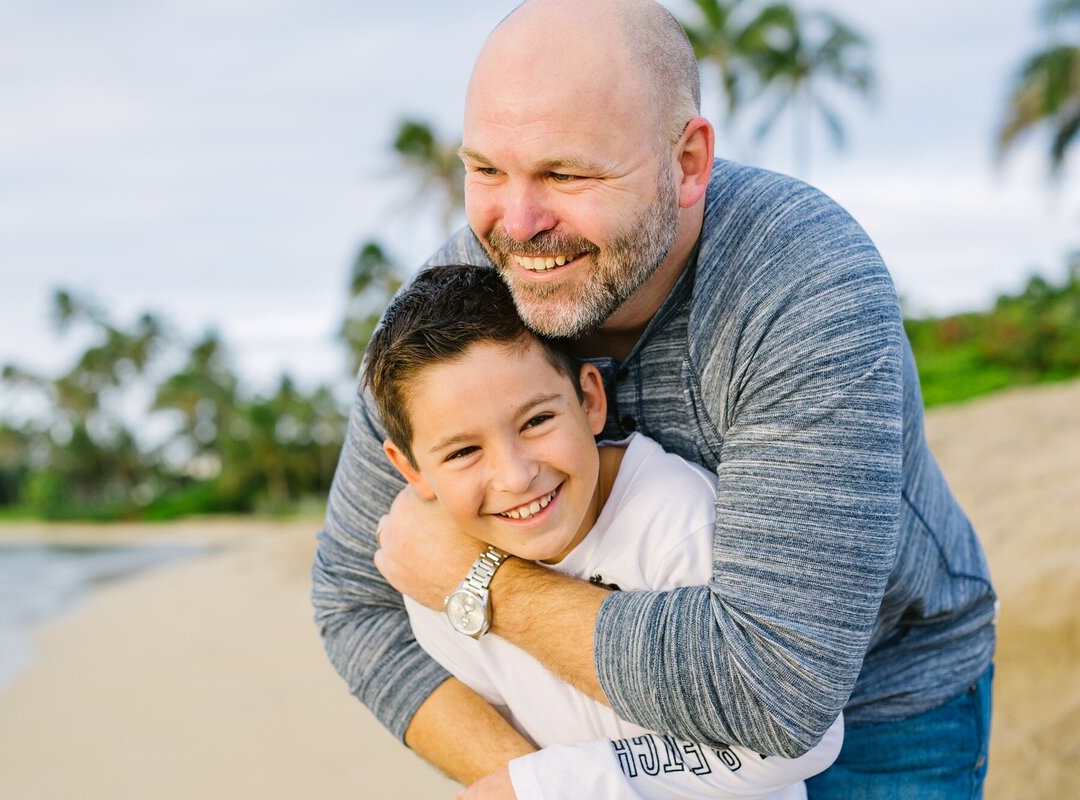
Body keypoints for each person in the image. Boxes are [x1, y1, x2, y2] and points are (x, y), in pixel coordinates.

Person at [312, 1, 996, 797]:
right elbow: (353, 600)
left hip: (883, 695)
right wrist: (536, 783)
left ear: (689, 161)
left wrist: (481, 582)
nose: (518, 224)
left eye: (566, 173)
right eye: (486, 169)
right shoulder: (458, 306)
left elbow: (777, 687)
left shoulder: (801, 281)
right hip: (599, 725)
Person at [362, 263, 844, 799]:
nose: (516, 476)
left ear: (590, 399)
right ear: (410, 470)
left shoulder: (675, 521)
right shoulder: (432, 573)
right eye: (463, 451)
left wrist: (544, 786)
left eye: (536, 421)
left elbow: (801, 741)